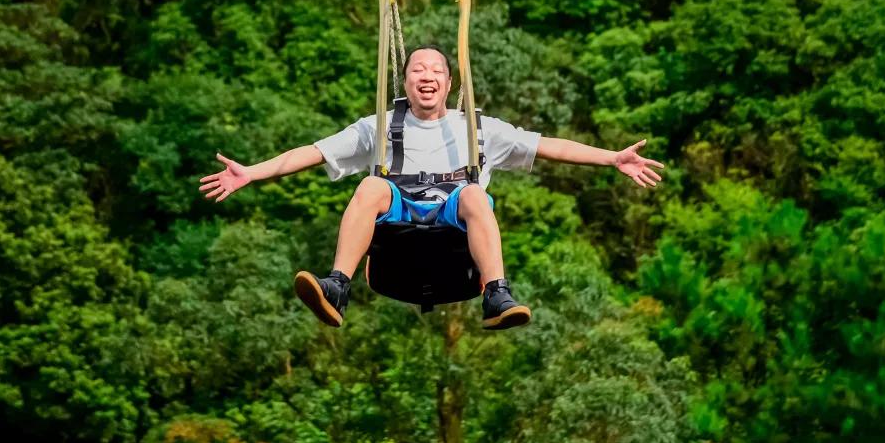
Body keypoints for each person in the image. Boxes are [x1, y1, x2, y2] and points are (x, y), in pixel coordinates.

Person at [198, 46, 664, 330]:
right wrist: (252, 172)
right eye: (417, 69)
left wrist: (611, 158)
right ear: (405, 81)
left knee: (475, 193)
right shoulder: (379, 127)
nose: (426, 76)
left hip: (453, 237)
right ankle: (337, 287)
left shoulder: (478, 128)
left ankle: (496, 293)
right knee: (371, 188)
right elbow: (313, 152)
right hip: (397, 233)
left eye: (435, 70)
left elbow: (547, 146)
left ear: (448, 82)